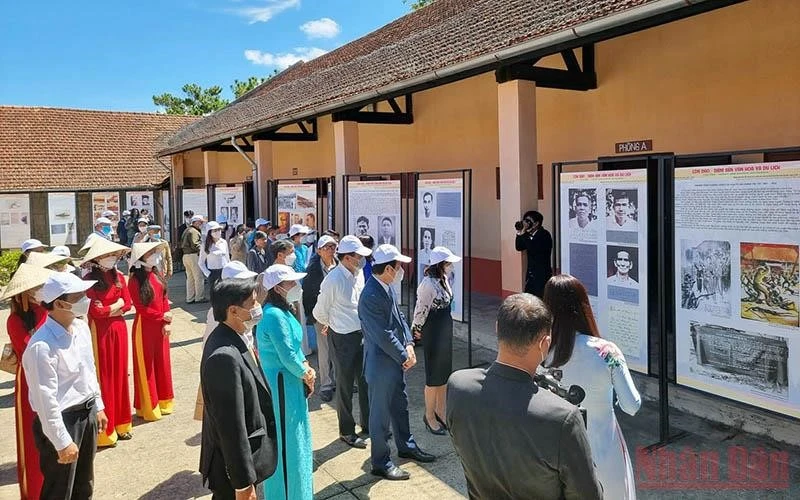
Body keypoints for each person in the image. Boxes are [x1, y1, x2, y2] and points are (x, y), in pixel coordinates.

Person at [447, 293, 602, 499]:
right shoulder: (563, 418)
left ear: (497, 329)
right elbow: (589, 495)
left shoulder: (458, 385)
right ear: (544, 344)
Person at [544, 274, 641, 499]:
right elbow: (631, 405)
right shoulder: (606, 352)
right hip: (605, 453)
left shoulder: (541, 354)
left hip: (556, 455)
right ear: (583, 305)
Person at [22, 272, 109, 500]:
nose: (85, 299)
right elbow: (45, 400)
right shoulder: (42, 346)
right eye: (79, 295)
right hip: (62, 420)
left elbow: (88, 370)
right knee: (60, 490)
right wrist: (61, 441)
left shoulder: (80, 329)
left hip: (86, 413)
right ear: (60, 303)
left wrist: (97, 405)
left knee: (84, 484)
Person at [359, 244, 434, 480]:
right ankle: (380, 462)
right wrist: (404, 355)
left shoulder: (386, 287)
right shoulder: (370, 295)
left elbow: (399, 318)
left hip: (395, 362)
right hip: (381, 365)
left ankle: (406, 446)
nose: (401, 271)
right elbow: (383, 334)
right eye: (399, 266)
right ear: (389, 269)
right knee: (380, 415)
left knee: (400, 406)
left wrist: (409, 343)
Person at [200, 277, 277, 500]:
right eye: (252, 303)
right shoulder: (223, 356)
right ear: (233, 310)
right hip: (234, 472)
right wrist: (242, 483)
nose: (257, 307)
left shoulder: (237, 337)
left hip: (249, 462)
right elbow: (230, 426)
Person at [257, 265, 315, 499]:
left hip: (291, 382)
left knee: (298, 440)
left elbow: (295, 350)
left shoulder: (285, 310)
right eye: (291, 283)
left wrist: (306, 370)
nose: (296, 287)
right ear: (278, 288)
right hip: (280, 384)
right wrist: (306, 372)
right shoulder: (272, 315)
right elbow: (287, 355)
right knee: (286, 444)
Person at [313, 235, 371, 449]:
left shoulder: (358, 275)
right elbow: (319, 311)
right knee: (345, 385)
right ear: (347, 258)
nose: (361, 260)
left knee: (364, 382)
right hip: (343, 337)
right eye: (358, 257)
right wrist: (332, 323)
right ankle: (347, 431)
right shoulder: (333, 279)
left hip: (361, 335)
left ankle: (368, 424)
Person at [2, 263, 53, 499]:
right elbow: (28, 351)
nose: (42, 289)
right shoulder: (15, 320)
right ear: (25, 292)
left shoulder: (48, 310)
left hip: (53, 375)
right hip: (31, 379)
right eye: (37, 286)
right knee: (33, 441)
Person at [82, 238, 133, 448]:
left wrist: (111, 307)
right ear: (97, 259)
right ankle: (105, 430)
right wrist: (116, 305)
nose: (111, 258)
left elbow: (128, 304)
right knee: (104, 376)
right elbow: (95, 311)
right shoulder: (89, 281)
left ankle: (122, 424)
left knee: (120, 374)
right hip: (100, 332)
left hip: (119, 329)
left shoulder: (119, 276)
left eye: (113, 254)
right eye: (106, 255)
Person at [411, 246, 460, 435]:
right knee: (433, 376)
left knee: (444, 374)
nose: (450, 266)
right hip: (433, 329)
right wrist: (416, 329)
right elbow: (420, 309)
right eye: (447, 263)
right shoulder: (427, 284)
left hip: (445, 328)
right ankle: (429, 415)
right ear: (440, 264)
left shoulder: (444, 280)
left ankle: (441, 410)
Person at [128, 241, 174, 421]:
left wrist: (167, 318)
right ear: (141, 258)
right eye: (151, 253)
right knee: (146, 366)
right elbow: (141, 308)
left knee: (162, 363)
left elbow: (164, 297)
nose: (156, 255)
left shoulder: (157, 273)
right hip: (145, 327)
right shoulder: (134, 280)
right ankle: (149, 405)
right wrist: (163, 317)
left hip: (161, 325)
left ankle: (164, 401)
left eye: (156, 252)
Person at [303, 235, 338, 403]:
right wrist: (315, 317)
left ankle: (339, 379)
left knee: (339, 349)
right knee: (324, 350)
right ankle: (325, 384)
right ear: (318, 251)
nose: (330, 250)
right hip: (322, 316)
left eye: (333, 247)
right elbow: (308, 295)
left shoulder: (339, 265)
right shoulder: (313, 270)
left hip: (339, 316)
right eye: (327, 247)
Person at [514, 210, 552, 297]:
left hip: (542, 275)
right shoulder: (527, 235)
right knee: (529, 300)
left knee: (541, 301)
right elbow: (519, 247)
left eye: (529, 221)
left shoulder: (544, 235)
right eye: (525, 220)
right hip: (530, 276)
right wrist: (519, 232)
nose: (526, 223)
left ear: (536, 224)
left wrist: (524, 234)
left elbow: (534, 249)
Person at [181, 214, 206, 303]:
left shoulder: (187, 230)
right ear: (195, 222)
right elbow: (196, 245)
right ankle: (199, 297)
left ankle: (190, 298)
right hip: (193, 256)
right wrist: (205, 252)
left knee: (190, 278)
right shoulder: (194, 231)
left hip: (186, 256)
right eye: (200, 222)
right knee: (198, 277)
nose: (201, 224)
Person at [200, 221, 230, 292]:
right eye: (215, 230)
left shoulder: (224, 242)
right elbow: (201, 262)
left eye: (219, 230)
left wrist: (228, 270)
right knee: (215, 294)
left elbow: (227, 258)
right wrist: (208, 274)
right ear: (210, 232)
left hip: (224, 271)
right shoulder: (205, 245)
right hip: (213, 272)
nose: (218, 232)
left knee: (225, 293)